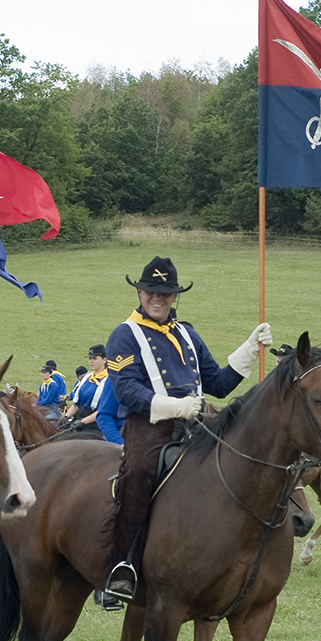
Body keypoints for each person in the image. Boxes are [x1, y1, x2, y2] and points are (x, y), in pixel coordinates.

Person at [102, 256, 272, 600]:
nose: (158, 298)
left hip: (196, 424)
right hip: (149, 426)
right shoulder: (124, 335)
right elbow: (126, 389)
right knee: (138, 473)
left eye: (165, 293)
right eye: (151, 291)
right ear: (139, 293)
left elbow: (218, 384)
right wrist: (173, 406)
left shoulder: (187, 334)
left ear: (175, 296)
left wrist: (250, 349)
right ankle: (121, 564)